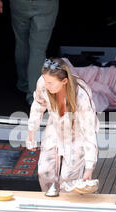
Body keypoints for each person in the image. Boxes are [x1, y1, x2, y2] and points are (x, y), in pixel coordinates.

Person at [26, 58, 99, 192]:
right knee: (44, 171)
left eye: (51, 83)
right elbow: (38, 104)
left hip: (77, 133)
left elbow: (89, 131)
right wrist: (31, 132)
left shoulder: (81, 95)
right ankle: (50, 201)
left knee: (68, 178)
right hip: (55, 126)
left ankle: (66, 207)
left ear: (64, 81)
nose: (46, 85)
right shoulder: (43, 82)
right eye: (45, 80)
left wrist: (89, 167)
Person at [0, 0, 71, 105]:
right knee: (38, 50)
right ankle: (33, 95)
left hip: (19, 0)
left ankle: (23, 84)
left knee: (21, 43)